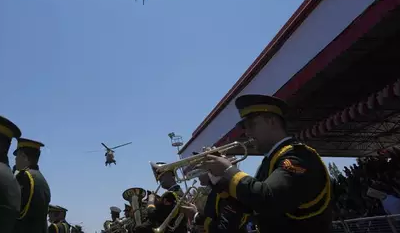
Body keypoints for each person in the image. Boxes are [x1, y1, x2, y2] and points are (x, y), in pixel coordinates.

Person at [201, 94, 332, 233]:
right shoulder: (270, 162)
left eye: (251, 124)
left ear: (271, 121)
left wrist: (228, 170)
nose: (247, 133)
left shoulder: (298, 156)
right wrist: (217, 177)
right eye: (245, 127)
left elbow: (268, 199)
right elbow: (249, 206)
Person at [135, 163, 189, 233]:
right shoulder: (175, 193)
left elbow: (153, 215)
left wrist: (151, 201)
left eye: (161, 174)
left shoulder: (171, 195)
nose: (158, 178)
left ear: (169, 174)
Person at [13, 138, 51, 233]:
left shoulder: (24, 177)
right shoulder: (42, 179)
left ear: (23, 156)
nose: (15, 159)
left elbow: (14, 210)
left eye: (17, 155)